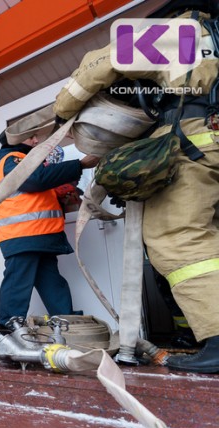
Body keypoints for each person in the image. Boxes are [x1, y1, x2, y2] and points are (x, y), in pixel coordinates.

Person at [53, 0, 219, 373]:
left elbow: (105, 60)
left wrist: (63, 109)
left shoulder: (183, 33)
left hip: (197, 143)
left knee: (179, 234)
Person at [0, 128, 99, 332]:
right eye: (31, 137)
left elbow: (36, 189)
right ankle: (8, 332)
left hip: (36, 234)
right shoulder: (12, 158)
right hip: (24, 234)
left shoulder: (17, 159)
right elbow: (34, 180)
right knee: (18, 283)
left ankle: (67, 327)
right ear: (16, 140)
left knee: (52, 283)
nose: (36, 141)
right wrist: (78, 165)